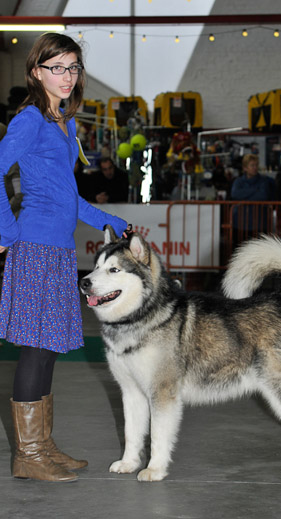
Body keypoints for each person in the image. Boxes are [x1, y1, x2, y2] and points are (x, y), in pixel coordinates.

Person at [0, 33, 132, 483]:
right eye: (57, 67)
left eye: (74, 67)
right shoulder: (31, 120)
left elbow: (68, 197)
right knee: (36, 350)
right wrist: (7, 230)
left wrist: (109, 219)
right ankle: (28, 455)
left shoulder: (64, 123)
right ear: (36, 71)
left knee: (50, 348)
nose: (67, 76)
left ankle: (42, 445)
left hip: (57, 251)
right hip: (34, 247)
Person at [231, 154, 273, 243]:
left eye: (256, 165)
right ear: (245, 168)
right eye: (252, 165)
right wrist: (255, 190)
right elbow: (235, 194)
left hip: (259, 223)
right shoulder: (238, 181)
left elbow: (262, 196)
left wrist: (245, 197)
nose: (255, 168)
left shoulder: (264, 181)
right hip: (240, 223)